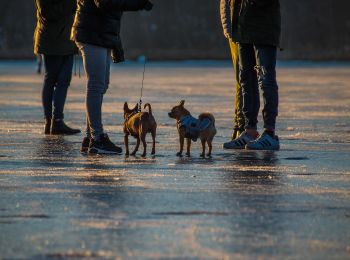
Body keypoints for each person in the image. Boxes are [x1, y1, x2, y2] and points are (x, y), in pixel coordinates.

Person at [71, 0, 154, 154]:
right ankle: (97, 138)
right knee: (96, 85)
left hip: (101, 34)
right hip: (91, 33)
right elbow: (104, 3)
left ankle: (90, 137)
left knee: (102, 85)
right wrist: (137, 4)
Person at [223, 0, 281, 150]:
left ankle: (270, 133)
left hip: (264, 31)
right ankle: (249, 130)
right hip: (242, 31)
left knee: (266, 79)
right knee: (246, 80)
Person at [34, 0, 81, 135]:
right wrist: (72, 3)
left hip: (67, 40)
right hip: (52, 41)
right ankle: (50, 120)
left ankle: (57, 120)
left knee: (64, 81)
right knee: (51, 79)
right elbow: (47, 13)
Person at [220, 0, 258, 143]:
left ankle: (245, 125)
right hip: (238, 32)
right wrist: (230, 30)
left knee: (249, 79)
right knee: (242, 80)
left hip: (250, 30)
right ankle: (241, 125)